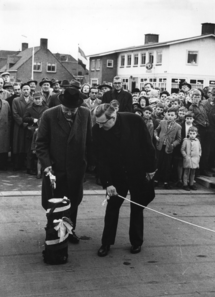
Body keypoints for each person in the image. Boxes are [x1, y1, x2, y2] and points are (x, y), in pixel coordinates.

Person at [92, 104, 156, 256]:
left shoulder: (134, 120)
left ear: (113, 117)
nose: (99, 126)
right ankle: (106, 243)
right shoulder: (97, 130)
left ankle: (136, 242)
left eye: (103, 123)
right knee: (112, 208)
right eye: (98, 122)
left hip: (138, 171)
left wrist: (151, 169)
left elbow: (147, 145)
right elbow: (101, 159)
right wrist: (108, 183)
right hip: (116, 175)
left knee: (137, 207)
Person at [36, 87, 92, 244]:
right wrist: (46, 165)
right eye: (67, 109)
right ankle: (53, 231)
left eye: (73, 110)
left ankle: (69, 230)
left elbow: (90, 141)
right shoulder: (48, 115)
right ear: (61, 104)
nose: (70, 112)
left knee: (72, 203)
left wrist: (91, 164)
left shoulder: (86, 114)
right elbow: (41, 144)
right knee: (54, 203)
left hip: (76, 169)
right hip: (55, 169)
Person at [154, 107, 181, 189]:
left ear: (175, 116)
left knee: (167, 165)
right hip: (160, 146)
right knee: (158, 163)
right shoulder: (162, 122)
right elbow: (156, 130)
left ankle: (166, 181)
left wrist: (173, 144)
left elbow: (179, 139)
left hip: (169, 148)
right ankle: (156, 180)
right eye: (168, 114)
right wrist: (156, 136)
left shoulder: (178, 126)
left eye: (172, 115)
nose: (170, 116)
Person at [23, 92, 48, 175]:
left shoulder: (46, 108)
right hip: (31, 131)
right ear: (33, 99)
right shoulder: (29, 108)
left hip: (42, 131)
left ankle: (42, 169)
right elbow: (24, 118)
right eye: (35, 99)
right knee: (30, 150)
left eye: (39, 99)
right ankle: (29, 168)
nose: (37, 101)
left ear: (42, 99)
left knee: (41, 149)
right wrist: (32, 119)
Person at [189, 89, 210, 176]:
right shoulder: (191, 107)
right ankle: (196, 171)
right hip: (198, 130)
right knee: (197, 150)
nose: (197, 98)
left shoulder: (202, 106)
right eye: (195, 96)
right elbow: (191, 120)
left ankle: (203, 169)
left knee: (205, 150)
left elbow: (205, 116)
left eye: (198, 96)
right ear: (192, 97)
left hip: (206, 129)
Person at [12, 84, 33, 170]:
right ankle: (18, 165)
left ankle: (27, 165)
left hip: (30, 126)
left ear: (30, 90)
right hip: (19, 126)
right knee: (18, 144)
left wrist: (30, 123)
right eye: (24, 89)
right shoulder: (16, 100)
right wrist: (23, 123)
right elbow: (15, 113)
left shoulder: (33, 100)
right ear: (21, 90)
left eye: (27, 89)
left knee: (28, 145)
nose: (25, 91)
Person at [181, 126, 201, 191]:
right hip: (188, 159)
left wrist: (199, 156)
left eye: (193, 133)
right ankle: (185, 184)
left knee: (193, 172)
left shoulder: (197, 141)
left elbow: (200, 149)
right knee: (186, 172)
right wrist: (185, 156)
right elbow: (182, 149)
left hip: (195, 159)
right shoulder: (185, 140)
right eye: (191, 133)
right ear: (188, 134)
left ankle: (191, 184)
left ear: (196, 134)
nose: (192, 135)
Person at [0, 97, 11, 170]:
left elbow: (9, 116)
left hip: (4, 129)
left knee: (3, 148)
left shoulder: (6, 103)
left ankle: (2, 165)